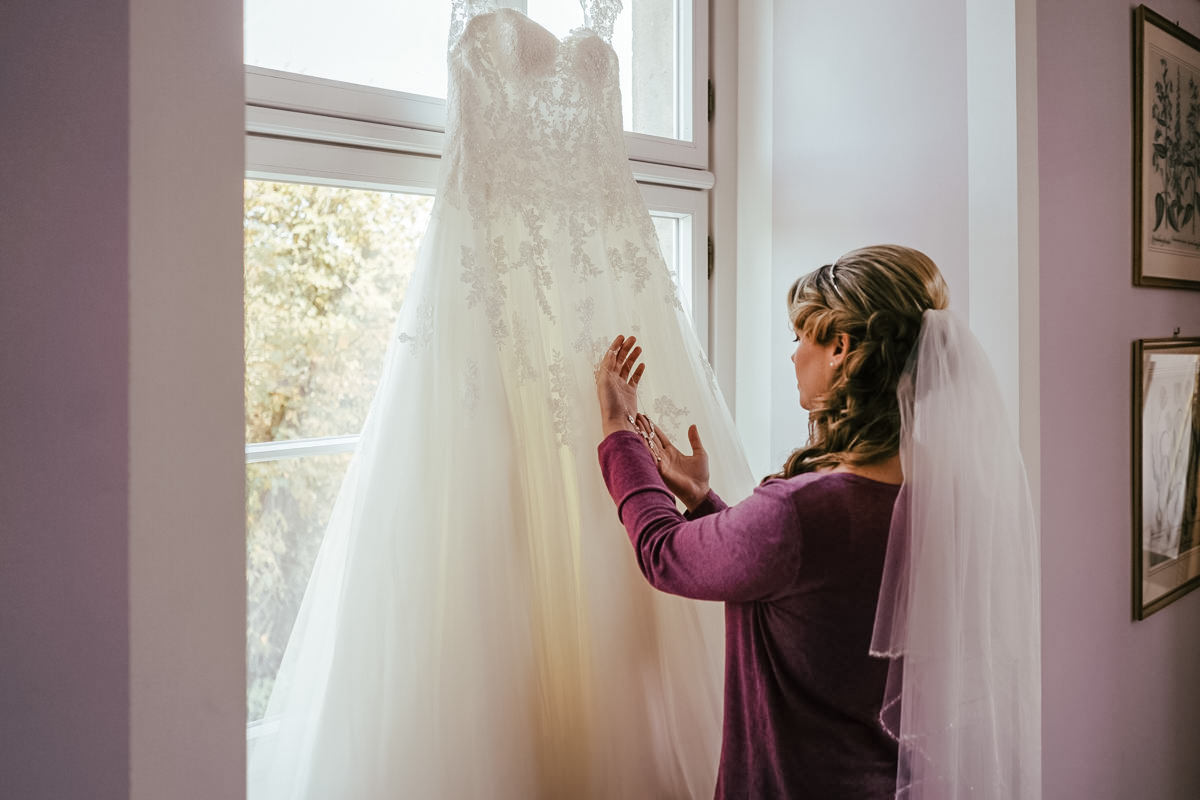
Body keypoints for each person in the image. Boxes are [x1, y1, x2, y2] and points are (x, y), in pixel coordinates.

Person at [594, 244, 1041, 799]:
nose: (793, 356)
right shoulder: (946, 493)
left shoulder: (802, 513)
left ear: (841, 348)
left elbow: (665, 553)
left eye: (800, 337)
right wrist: (704, 497)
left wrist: (617, 427)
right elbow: (806, 586)